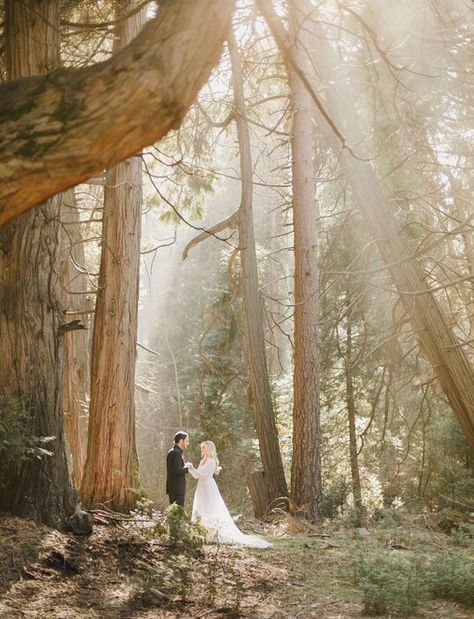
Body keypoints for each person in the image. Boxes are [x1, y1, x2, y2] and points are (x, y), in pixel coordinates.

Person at [186, 440, 271, 548]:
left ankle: (213, 533)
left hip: (208, 487)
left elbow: (203, 475)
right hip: (201, 487)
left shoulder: (211, 461)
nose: (202, 449)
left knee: (210, 508)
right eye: (201, 447)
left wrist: (192, 468)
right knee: (201, 507)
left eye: (204, 447)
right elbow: (196, 476)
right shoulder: (203, 460)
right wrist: (190, 469)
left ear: (209, 449)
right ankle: (202, 532)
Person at [166, 431, 189, 507]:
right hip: (177, 488)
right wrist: (188, 468)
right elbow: (177, 470)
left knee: (175, 512)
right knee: (177, 512)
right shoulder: (176, 453)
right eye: (186, 441)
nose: (187, 443)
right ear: (181, 441)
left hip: (174, 488)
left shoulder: (174, 451)